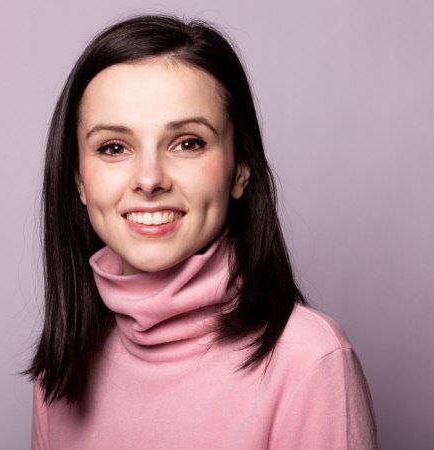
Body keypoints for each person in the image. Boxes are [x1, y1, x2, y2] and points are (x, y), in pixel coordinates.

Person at [25, 14, 377, 449]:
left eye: (188, 143)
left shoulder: (309, 361)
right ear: (78, 180)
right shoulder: (62, 370)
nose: (150, 179)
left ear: (240, 169)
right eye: (114, 147)